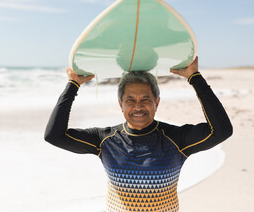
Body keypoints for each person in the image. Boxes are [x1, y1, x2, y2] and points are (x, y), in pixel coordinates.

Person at [44, 57, 232, 212]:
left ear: (156, 103)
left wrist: (194, 77)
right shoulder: (105, 140)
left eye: (146, 99)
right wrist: (73, 85)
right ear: (121, 105)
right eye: (130, 100)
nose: (138, 106)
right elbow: (54, 135)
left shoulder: (176, 139)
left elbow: (222, 130)